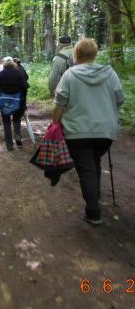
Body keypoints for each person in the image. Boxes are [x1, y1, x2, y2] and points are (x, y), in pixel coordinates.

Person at [53, 38, 124, 225]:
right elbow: (119, 99)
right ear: (95, 54)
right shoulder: (110, 73)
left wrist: (55, 124)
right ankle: (95, 199)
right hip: (105, 132)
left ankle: (93, 211)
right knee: (93, 163)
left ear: (76, 54)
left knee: (86, 168)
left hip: (78, 132)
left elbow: (60, 102)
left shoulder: (69, 75)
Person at [0, 59, 27, 151]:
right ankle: (18, 139)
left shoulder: (0, 74)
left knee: (6, 121)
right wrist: (23, 101)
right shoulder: (18, 73)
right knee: (16, 120)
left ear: (4, 66)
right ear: (13, 65)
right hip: (17, 101)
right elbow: (25, 87)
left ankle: (9, 144)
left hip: (4, 102)